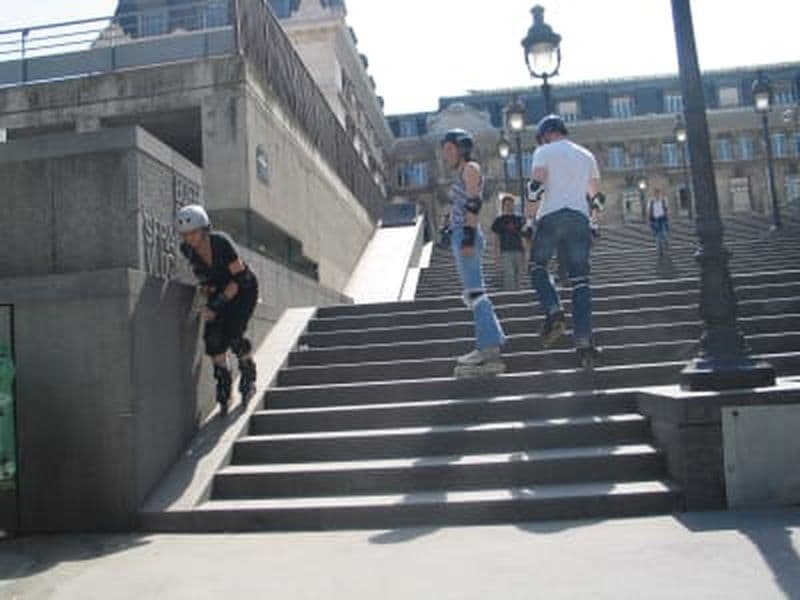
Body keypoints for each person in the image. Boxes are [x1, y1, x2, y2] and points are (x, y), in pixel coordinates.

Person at [526, 115, 605, 369]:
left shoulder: (544, 152)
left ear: (546, 134)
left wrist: (528, 219)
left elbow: (535, 187)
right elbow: (597, 198)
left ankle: (554, 310)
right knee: (580, 281)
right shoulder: (586, 155)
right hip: (579, 219)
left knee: (537, 266)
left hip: (551, 217)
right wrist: (594, 223)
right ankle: (584, 343)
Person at [176, 205, 259, 416]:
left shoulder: (221, 243)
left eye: (193, 232)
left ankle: (248, 372)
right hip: (219, 290)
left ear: (205, 229)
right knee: (212, 339)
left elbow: (239, 279)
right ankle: (224, 380)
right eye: (185, 234)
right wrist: (206, 301)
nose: (189, 238)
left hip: (243, 290)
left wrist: (216, 305)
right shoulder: (187, 250)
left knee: (234, 334)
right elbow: (205, 281)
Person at [441, 129, 506, 377]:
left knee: (476, 293)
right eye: (444, 150)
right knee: (474, 293)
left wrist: (467, 235)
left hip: (466, 234)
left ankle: (488, 349)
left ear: (462, 149)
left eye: (449, 149)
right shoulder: (462, 171)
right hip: (460, 232)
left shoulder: (470, 168)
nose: (445, 154)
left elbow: (473, 203)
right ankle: (492, 341)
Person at [491, 195, 531, 291]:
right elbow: (496, 238)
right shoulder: (499, 220)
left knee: (518, 277)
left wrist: (527, 252)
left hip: (519, 251)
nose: (510, 207)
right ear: (503, 206)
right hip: (505, 252)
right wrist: (496, 255)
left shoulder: (520, 220)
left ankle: (518, 296)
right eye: (507, 204)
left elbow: (525, 236)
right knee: (509, 275)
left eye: (511, 204)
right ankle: (510, 296)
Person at [648, 189, 670, 257]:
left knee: (664, 235)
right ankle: (660, 251)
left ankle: (666, 244)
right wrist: (650, 221)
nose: (657, 195)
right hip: (655, 220)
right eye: (655, 194)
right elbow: (649, 211)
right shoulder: (651, 201)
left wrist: (667, 218)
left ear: (660, 194)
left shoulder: (663, 200)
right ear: (654, 194)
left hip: (662, 219)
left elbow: (666, 209)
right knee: (657, 237)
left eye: (658, 194)